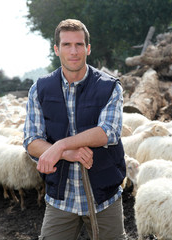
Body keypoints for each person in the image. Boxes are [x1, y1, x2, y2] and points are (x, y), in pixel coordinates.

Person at [23, 19, 127, 240]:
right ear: (56, 49)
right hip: (61, 196)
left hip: (103, 196)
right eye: (67, 45)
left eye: (79, 45)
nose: (73, 51)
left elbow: (108, 131)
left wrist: (60, 145)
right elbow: (32, 140)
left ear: (88, 49)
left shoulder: (109, 87)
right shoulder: (39, 89)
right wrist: (67, 153)